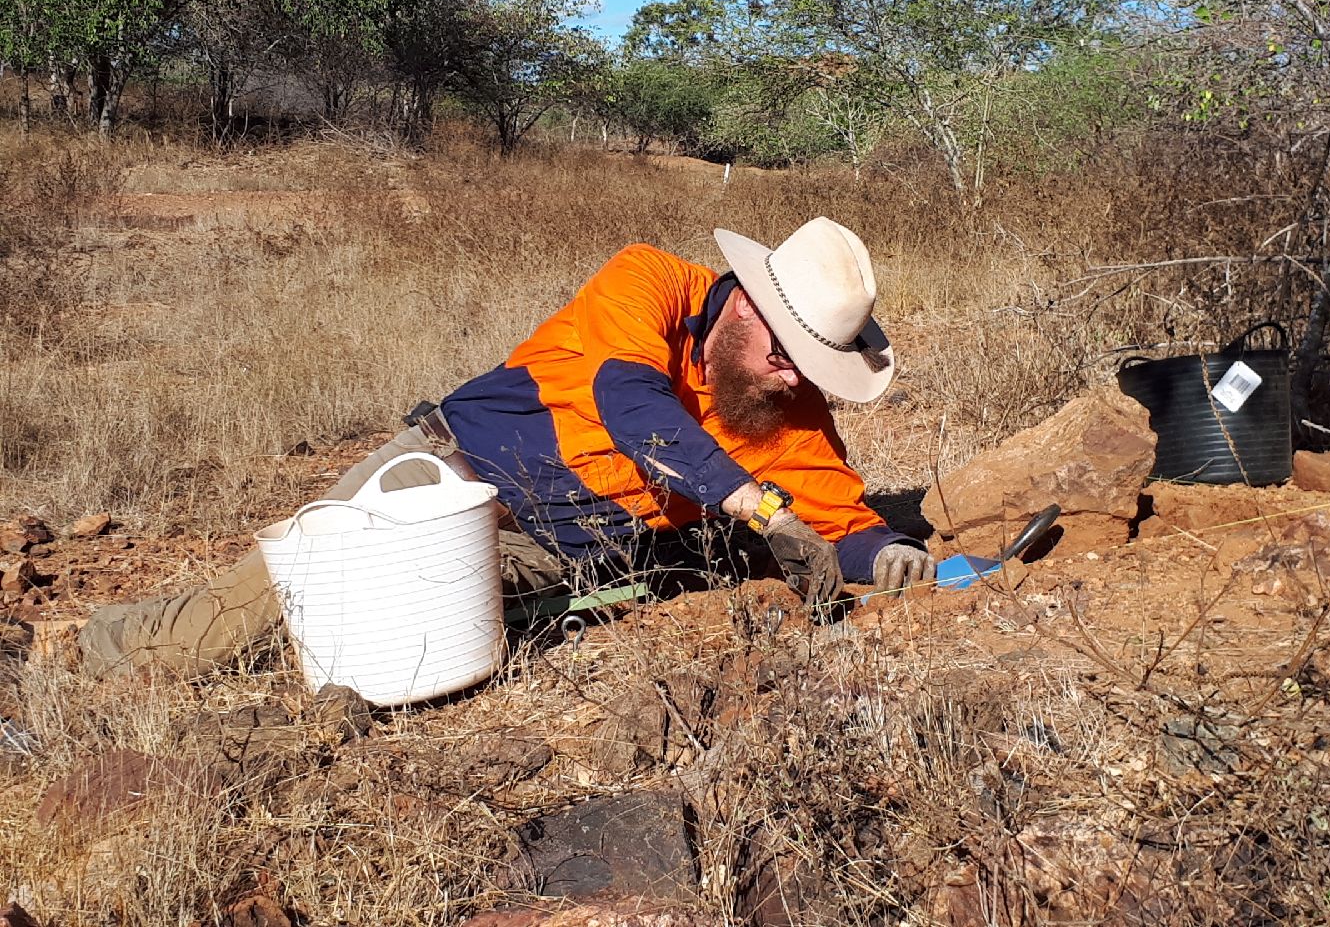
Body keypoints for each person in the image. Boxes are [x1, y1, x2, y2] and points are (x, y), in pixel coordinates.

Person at [76, 217, 936, 679]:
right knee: (232, 630)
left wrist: (887, 550)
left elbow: (836, 508)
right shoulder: (647, 282)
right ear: (745, 304)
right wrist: (754, 504)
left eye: (811, 363)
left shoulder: (783, 401)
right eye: (787, 352)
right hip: (445, 479)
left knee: (387, 663)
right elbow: (628, 402)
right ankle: (85, 652)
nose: (793, 380)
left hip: (548, 552)